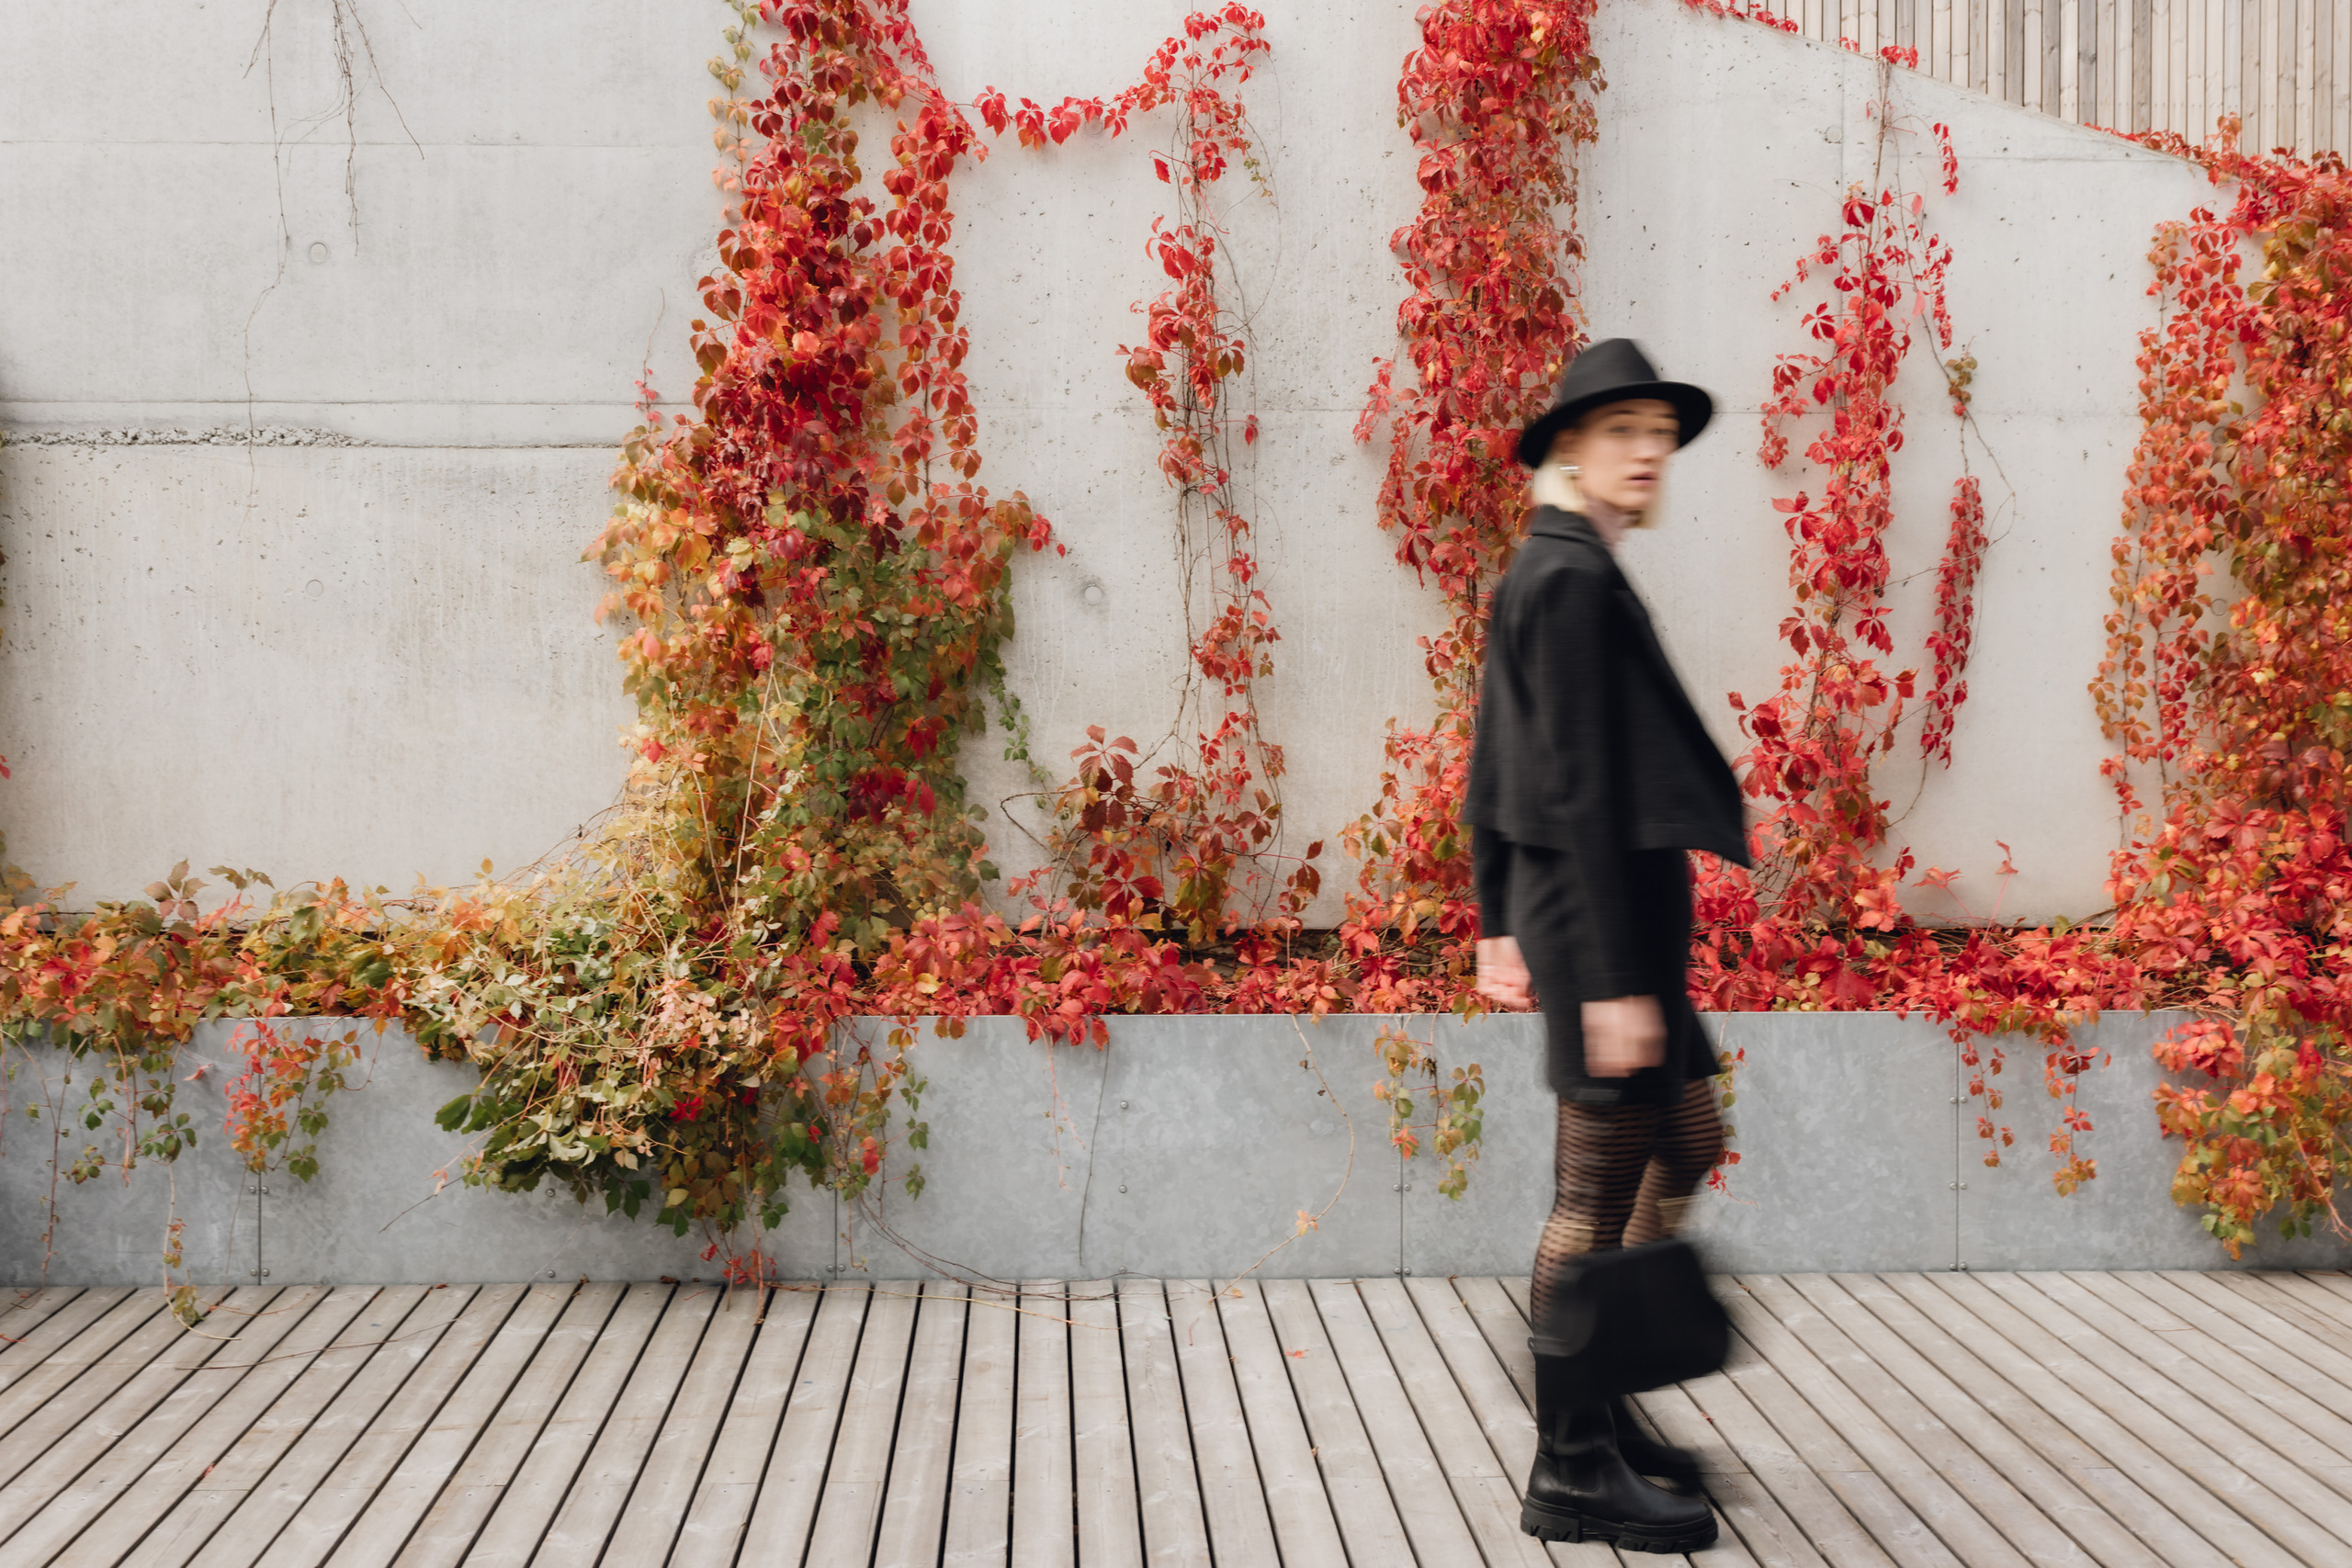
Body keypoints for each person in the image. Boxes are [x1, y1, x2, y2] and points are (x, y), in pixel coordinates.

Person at [1464, 338, 1749, 1554]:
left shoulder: (1560, 563)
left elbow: (1492, 760)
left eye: (1657, 431)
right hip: (1604, 935)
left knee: (1688, 1136)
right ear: (1571, 449)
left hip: (1607, 924)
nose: (1646, 451)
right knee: (1593, 1187)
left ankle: (1606, 1389)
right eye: (1621, 429)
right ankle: (1569, 1466)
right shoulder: (1568, 578)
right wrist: (1614, 987)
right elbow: (1568, 786)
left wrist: (1489, 923)